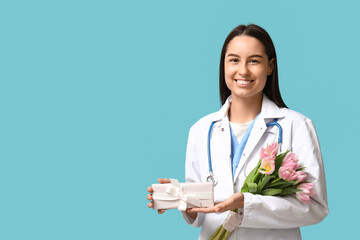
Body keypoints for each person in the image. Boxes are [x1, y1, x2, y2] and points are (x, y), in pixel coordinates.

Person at [147, 24, 328, 240]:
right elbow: (201, 215)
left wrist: (246, 204)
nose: (243, 70)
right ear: (223, 65)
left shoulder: (295, 126)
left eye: (254, 61)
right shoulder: (201, 130)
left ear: (270, 67)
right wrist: (180, 198)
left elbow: (315, 208)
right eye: (234, 60)